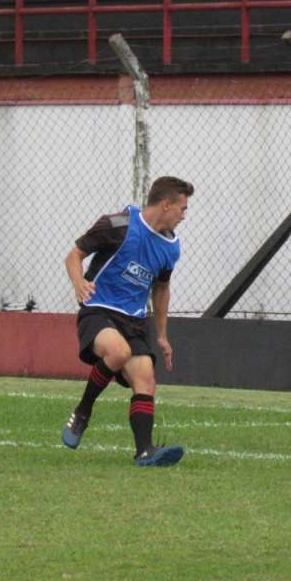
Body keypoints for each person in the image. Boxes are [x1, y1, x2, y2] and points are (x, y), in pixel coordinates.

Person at [61, 176, 194, 467]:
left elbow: (161, 289)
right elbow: (74, 256)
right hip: (99, 311)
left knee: (145, 377)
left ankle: (144, 451)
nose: (185, 215)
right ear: (166, 204)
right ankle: (83, 411)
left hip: (133, 322)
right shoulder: (118, 225)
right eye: (182, 208)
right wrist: (79, 282)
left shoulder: (171, 247)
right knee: (118, 352)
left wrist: (161, 335)